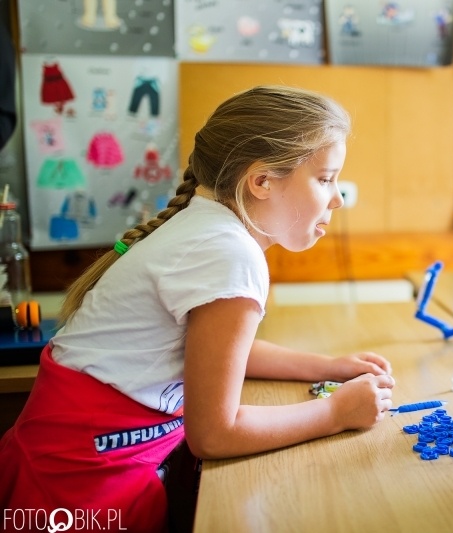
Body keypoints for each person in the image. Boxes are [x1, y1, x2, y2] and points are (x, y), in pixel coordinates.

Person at [0, 85, 395, 531]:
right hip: (77, 487)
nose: (337, 198)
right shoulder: (230, 252)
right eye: (325, 178)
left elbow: (215, 353)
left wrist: (327, 366)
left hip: (73, 467)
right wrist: (336, 413)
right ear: (262, 181)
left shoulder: (206, 227)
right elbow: (214, 433)